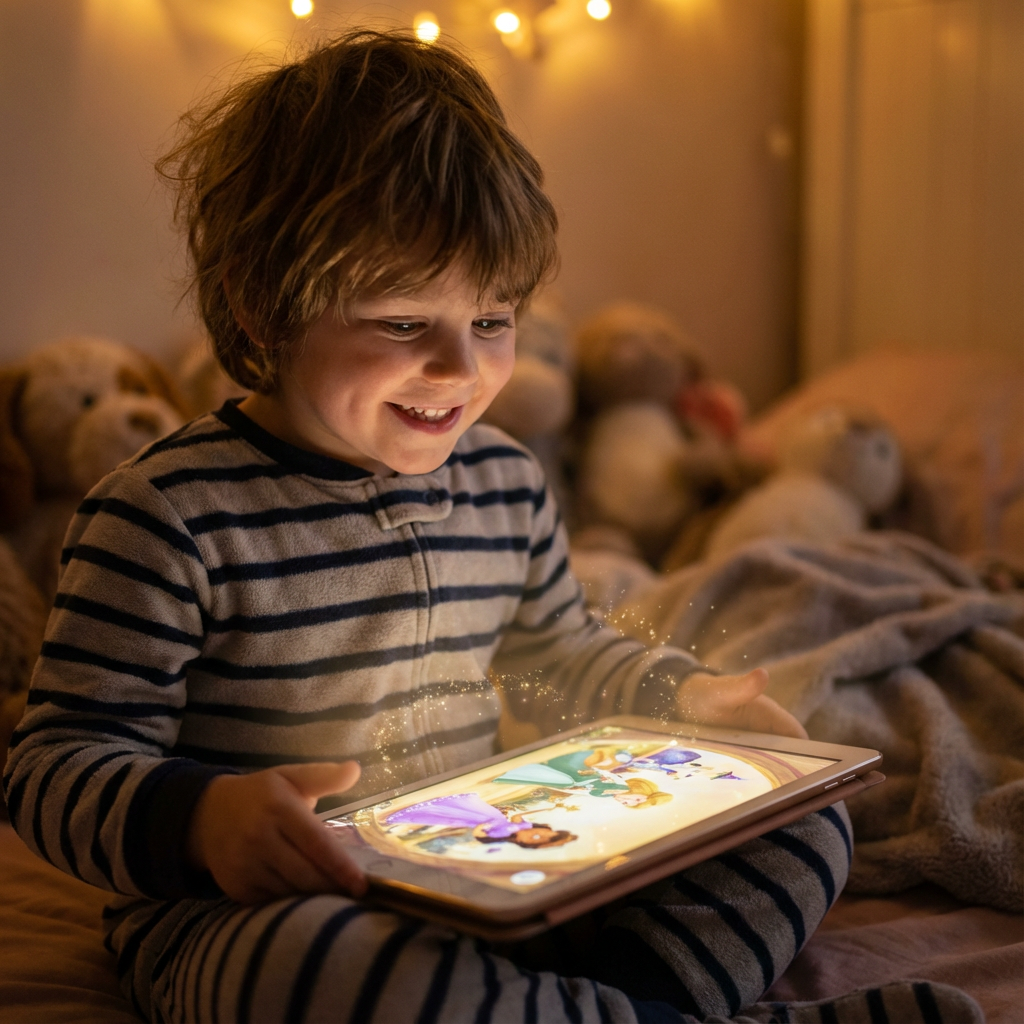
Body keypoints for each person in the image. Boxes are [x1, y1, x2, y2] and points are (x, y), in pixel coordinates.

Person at [3, 30, 979, 1024]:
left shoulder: (506, 481)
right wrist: (203, 819)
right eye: (402, 323)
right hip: (260, 912)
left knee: (803, 825)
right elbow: (55, 763)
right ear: (263, 309)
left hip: (499, 871)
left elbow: (557, 652)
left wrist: (683, 698)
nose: (461, 371)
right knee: (329, 970)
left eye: (492, 321)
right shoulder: (162, 515)